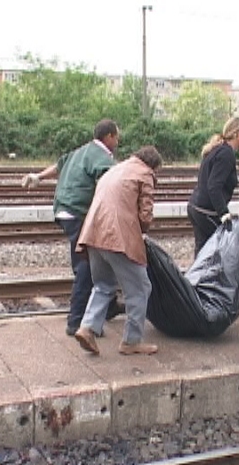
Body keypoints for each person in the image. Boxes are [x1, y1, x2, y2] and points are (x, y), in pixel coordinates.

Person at [21, 119, 125, 336]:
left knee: (99, 256)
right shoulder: (101, 157)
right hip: (78, 213)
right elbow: (110, 182)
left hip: (63, 210)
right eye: (117, 136)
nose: (118, 140)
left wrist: (38, 177)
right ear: (109, 137)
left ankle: (108, 307)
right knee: (86, 266)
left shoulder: (81, 151)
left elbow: (59, 166)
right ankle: (76, 322)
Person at [73, 146, 164, 356]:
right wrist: (142, 231)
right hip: (118, 237)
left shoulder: (115, 169)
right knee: (140, 288)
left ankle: (87, 328)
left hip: (93, 233)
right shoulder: (145, 174)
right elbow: (146, 214)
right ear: (153, 166)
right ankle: (131, 341)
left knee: (103, 285)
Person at [187, 117, 239, 256]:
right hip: (207, 211)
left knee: (203, 253)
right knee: (216, 254)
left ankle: (196, 278)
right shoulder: (226, 154)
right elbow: (214, 186)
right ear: (238, 134)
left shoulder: (217, 149)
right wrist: (224, 214)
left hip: (197, 207)